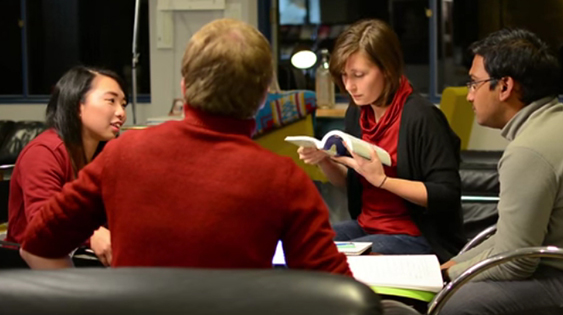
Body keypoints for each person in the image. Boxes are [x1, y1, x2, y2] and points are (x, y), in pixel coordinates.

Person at [18, 18, 351, 276]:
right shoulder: (283, 179)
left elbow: (37, 245)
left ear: (184, 86)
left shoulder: (123, 152)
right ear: (264, 96)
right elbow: (337, 292)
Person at [385, 28, 563, 315]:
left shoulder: (531, 150)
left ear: (505, 86)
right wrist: (454, 265)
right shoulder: (553, 128)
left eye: (474, 84)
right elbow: (515, 239)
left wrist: (450, 277)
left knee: (462, 304)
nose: (470, 96)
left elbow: (516, 261)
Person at [298, 19, 463, 259]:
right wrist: (324, 160)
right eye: (344, 76)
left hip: (416, 236)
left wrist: (383, 180)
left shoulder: (421, 117)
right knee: (303, 243)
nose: (350, 86)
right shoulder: (357, 112)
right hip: (367, 226)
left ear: (387, 68)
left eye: (359, 75)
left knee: (329, 260)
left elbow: (446, 195)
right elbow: (352, 185)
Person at [6, 66, 128, 266]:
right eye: (111, 101)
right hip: (30, 266)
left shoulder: (106, 154)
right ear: (77, 105)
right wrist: (91, 235)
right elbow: (42, 221)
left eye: (123, 104)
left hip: (84, 259)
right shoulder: (44, 151)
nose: (121, 112)